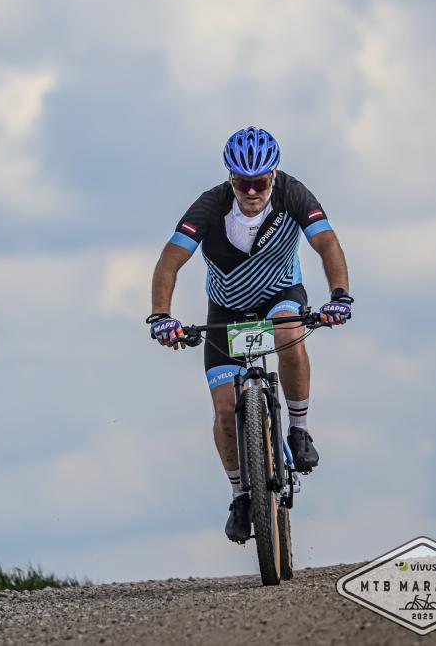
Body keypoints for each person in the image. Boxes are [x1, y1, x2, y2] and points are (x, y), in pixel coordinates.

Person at [146, 126, 353, 543]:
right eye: (243, 183)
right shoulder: (210, 205)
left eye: (260, 182)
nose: (253, 192)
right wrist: (161, 317)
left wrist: (339, 296)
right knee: (225, 410)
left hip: (281, 294)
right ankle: (240, 495)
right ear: (231, 178)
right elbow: (170, 260)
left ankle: (299, 429)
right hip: (226, 310)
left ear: (273, 175)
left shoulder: (293, 194)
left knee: (288, 333)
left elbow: (327, 243)